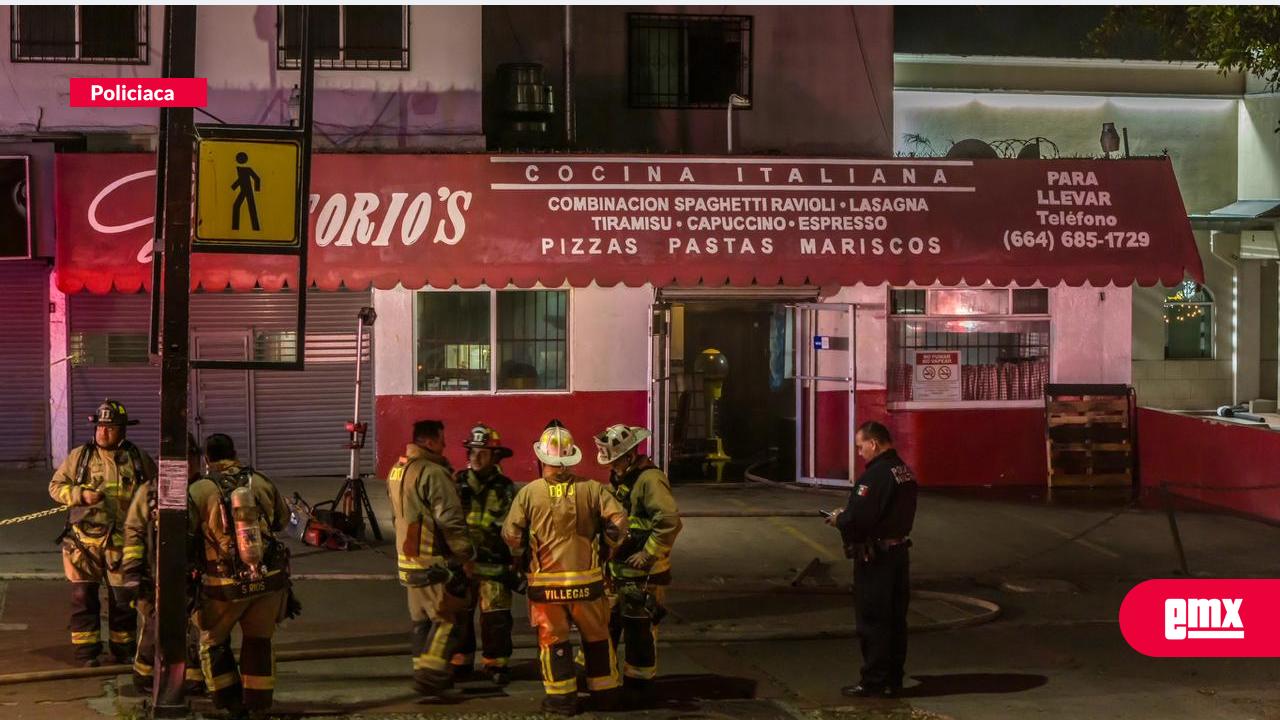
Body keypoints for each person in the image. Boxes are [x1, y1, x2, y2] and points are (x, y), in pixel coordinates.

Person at [503, 424, 629, 717]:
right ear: (571, 457)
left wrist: (520, 557)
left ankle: (562, 700)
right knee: (597, 637)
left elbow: (512, 534)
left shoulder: (529, 494)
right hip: (588, 584)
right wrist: (609, 545)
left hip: (546, 587)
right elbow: (619, 520)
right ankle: (605, 695)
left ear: (541, 459)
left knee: (553, 640)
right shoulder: (593, 489)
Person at [189, 433, 292, 717]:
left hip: (224, 585)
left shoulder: (200, 489)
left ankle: (231, 704)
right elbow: (282, 521)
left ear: (207, 458)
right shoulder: (260, 481)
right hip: (268, 579)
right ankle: (258, 705)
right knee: (259, 641)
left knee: (212, 640)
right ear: (234, 453)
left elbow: (184, 533)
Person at [49, 400, 156, 667]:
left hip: (122, 544)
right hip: (82, 542)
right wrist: (78, 495)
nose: (103, 432)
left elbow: (154, 491)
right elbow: (55, 487)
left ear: (123, 430)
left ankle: (123, 652)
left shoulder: (138, 459)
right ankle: (87, 654)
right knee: (83, 598)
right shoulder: (79, 457)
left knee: (123, 601)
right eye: (100, 427)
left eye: (110, 427)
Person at [826, 421, 918, 698]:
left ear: (874, 444)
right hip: (899, 553)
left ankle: (874, 681)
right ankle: (893, 678)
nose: (859, 452)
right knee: (896, 620)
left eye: (860, 446)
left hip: (876, 558)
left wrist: (839, 518)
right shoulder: (904, 471)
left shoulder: (874, 477)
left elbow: (858, 520)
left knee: (873, 620)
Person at [593, 423, 682, 707]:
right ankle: (612, 683)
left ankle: (640, 687)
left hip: (644, 574)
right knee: (608, 625)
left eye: (615, 460)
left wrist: (649, 553)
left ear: (630, 455)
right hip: (619, 570)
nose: (612, 466)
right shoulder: (622, 478)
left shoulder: (649, 480)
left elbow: (669, 521)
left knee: (640, 632)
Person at [386, 419, 476, 700]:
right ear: (428, 442)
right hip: (432, 561)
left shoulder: (398, 470)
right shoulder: (432, 472)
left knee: (421, 622)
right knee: (448, 617)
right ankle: (431, 676)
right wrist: (465, 555)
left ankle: (424, 671)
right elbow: (450, 519)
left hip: (408, 560)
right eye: (441, 439)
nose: (445, 444)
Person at [121, 432, 206, 696]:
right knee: (153, 627)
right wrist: (133, 573)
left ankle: (193, 678)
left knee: (196, 627)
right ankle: (145, 676)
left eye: (189, 458)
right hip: (155, 575)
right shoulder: (150, 492)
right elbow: (134, 531)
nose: (185, 465)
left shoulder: (204, 490)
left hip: (196, 575)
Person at [450, 423, 519, 686]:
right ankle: (461, 661)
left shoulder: (506, 488)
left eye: (483, 453)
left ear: (495, 457)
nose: (476, 457)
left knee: (496, 618)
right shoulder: (456, 483)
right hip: (463, 564)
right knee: (460, 616)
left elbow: (511, 527)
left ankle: (496, 664)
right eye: (473, 452)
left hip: (494, 565)